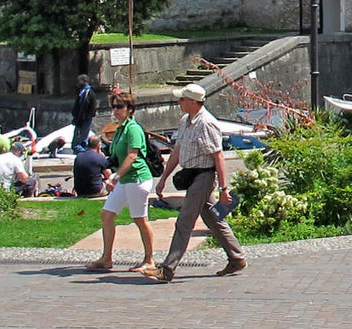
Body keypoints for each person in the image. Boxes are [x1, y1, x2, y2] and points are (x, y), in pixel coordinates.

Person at [153, 83, 245, 283]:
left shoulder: (207, 123)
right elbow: (177, 151)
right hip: (191, 175)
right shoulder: (185, 120)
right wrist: (163, 179)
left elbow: (218, 156)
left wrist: (223, 188)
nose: (179, 102)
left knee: (184, 221)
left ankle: (167, 268)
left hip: (204, 177)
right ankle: (236, 258)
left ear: (194, 102)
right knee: (214, 219)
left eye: (182, 99)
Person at [90, 90, 160, 276]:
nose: (115, 110)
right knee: (106, 214)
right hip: (125, 179)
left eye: (120, 106)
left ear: (130, 109)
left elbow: (132, 155)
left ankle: (150, 259)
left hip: (137, 178)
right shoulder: (120, 128)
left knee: (140, 219)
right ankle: (106, 258)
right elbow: (117, 155)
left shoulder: (133, 129)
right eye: (113, 106)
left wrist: (115, 176)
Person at [72, 131, 112, 199]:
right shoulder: (99, 157)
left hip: (80, 192)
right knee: (111, 179)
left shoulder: (79, 156)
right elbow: (109, 174)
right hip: (94, 192)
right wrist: (103, 158)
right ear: (99, 146)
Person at [71, 73, 99, 151]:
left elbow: (92, 108)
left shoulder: (89, 93)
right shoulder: (82, 92)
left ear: (85, 81)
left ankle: (84, 153)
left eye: (79, 81)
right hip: (79, 120)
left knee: (78, 143)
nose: (77, 83)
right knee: (77, 141)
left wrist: (85, 118)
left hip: (85, 120)